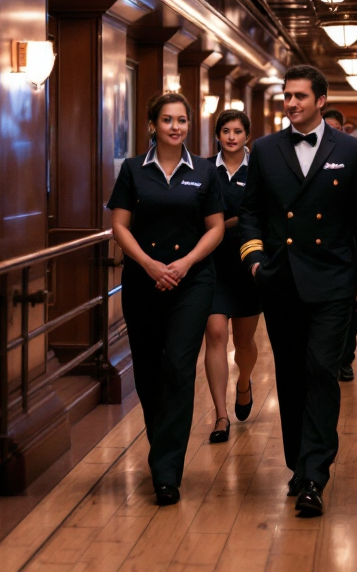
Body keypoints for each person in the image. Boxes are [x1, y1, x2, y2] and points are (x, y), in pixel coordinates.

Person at [239, 65, 357, 516]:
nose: (291, 103)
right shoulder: (263, 149)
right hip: (281, 280)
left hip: (334, 280)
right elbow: (250, 214)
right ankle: (298, 466)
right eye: (287, 96)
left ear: (320, 100)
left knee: (321, 368)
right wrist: (255, 262)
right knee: (290, 375)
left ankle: (315, 474)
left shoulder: (352, 150)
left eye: (300, 96)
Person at [107, 92, 224, 506]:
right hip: (143, 281)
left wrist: (185, 264)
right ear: (152, 125)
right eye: (168, 120)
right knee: (149, 371)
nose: (176, 127)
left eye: (182, 121)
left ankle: (166, 471)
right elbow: (119, 226)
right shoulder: (133, 170)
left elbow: (215, 228)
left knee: (178, 365)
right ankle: (164, 454)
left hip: (192, 282)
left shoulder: (205, 172)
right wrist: (150, 265)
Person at [204, 110, 262, 444]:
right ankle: (220, 415)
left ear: (247, 136)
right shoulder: (204, 170)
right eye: (225, 131)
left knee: (243, 342)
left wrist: (226, 225)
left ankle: (244, 382)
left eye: (237, 131)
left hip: (247, 265)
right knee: (214, 334)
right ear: (217, 135)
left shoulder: (259, 169)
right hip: (211, 265)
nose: (231, 137)